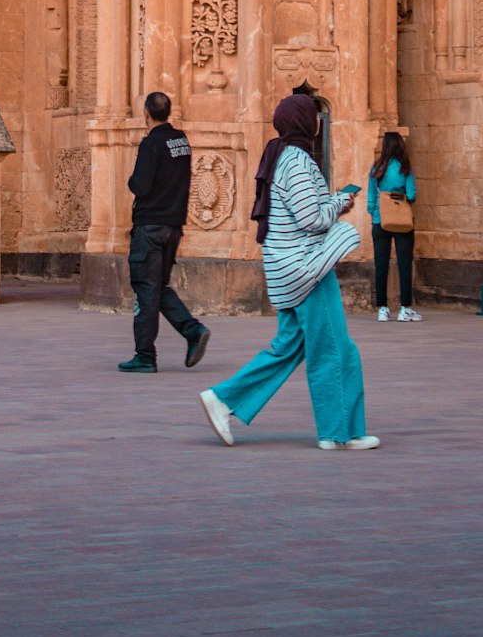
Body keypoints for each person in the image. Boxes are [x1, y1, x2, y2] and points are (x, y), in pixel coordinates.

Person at [199, 93, 379, 450]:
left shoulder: (279, 154)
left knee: (289, 347)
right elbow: (311, 219)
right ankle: (340, 432)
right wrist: (340, 202)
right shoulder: (297, 160)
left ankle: (224, 400)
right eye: (312, 117)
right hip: (306, 269)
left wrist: (332, 202)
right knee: (336, 349)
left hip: (286, 268)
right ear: (303, 123)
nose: (315, 123)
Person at [117, 91, 211, 373]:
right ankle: (193, 331)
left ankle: (145, 355)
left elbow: (141, 185)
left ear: (146, 113)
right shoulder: (181, 141)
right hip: (173, 225)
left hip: (150, 226)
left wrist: (131, 181)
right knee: (158, 286)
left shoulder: (152, 144)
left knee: (146, 289)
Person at [367, 129, 421, 322]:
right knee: (404, 264)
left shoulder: (377, 168)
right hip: (401, 220)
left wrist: (374, 213)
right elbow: (412, 195)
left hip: (380, 220)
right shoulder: (405, 168)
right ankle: (405, 308)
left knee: (381, 265)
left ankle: (383, 308)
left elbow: (371, 196)